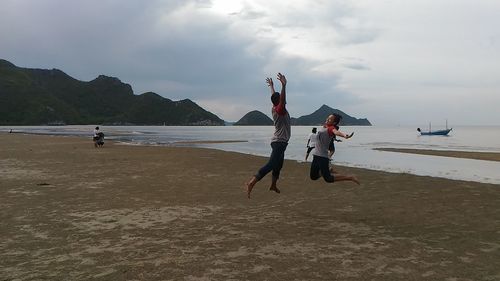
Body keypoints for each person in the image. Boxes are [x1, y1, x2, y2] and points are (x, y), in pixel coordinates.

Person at [246, 73, 291, 199]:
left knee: (278, 165)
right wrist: (284, 86)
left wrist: (271, 86)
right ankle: (252, 182)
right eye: (282, 100)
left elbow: (275, 97)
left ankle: (273, 185)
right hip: (280, 142)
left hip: (279, 142)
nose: (284, 100)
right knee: (271, 164)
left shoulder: (274, 107)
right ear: (281, 101)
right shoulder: (280, 110)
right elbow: (280, 99)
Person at [310, 114, 359, 185]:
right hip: (316, 156)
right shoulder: (325, 126)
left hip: (322, 157)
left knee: (328, 179)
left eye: (330, 119)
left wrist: (344, 135)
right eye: (327, 118)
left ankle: (350, 177)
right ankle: (328, 170)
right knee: (313, 176)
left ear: (334, 123)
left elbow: (336, 132)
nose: (327, 119)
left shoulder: (331, 128)